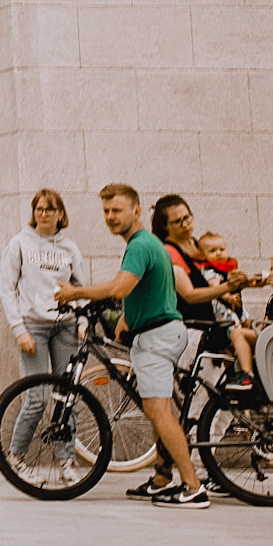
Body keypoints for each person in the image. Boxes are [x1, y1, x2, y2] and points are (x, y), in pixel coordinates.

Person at [55, 183, 207, 507]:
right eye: (106, 212)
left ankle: (193, 486)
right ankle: (162, 479)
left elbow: (122, 286)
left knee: (159, 412)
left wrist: (75, 293)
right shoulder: (145, 244)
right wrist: (127, 318)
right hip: (155, 332)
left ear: (136, 211)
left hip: (157, 338)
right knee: (156, 409)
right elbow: (144, 289)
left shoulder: (140, 245)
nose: (110, 217)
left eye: (116, 210)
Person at [0, 188, 83, 458]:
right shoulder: (19, 243)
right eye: (39, 209)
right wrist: (19, 329)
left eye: (50, 209)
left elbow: (80, 288)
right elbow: (6, 289)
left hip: (65, 327)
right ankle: (15, 456)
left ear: (60, 214)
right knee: (38, 398)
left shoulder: (69, 248)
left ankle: (66, 460)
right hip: (33, 328)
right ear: (34, 213)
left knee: (67, 396)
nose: (44, 214)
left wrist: (81, 320)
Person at [153, 194, 254, 382]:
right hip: (194, 332)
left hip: (212, 329)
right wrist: (226, 288)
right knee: (200, 402)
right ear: (166, 226)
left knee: (216, 396)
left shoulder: (197, 245)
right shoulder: (170, 252)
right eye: (177, 221)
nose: (185, 224)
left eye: (187, 217)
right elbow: (189, 295)